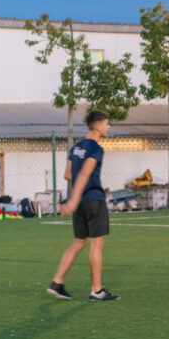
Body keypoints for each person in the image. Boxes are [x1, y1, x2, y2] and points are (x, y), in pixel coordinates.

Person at [47, 111, 119, 301]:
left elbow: (68, 174)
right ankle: (96, 290)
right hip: (93, 200)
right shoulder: (96, 148)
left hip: (79, 202)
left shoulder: (77, 147)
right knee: (97, 243)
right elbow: (84, 174)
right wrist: (74, 199)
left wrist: (75, 198)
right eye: (107, 123)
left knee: (79, 242)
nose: (108, 127)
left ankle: (57, 282)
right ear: (98, 125)